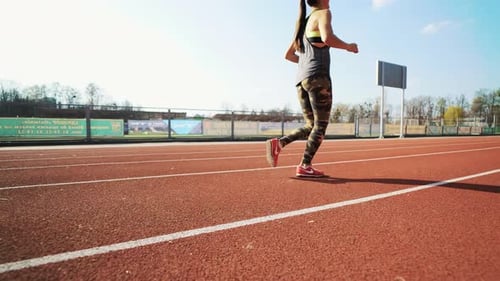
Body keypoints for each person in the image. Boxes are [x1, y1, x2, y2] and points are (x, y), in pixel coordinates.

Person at [266, 0, 358, 177]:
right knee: (321, 125)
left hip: (302, 80)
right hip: (318, 78)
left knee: (311, 125)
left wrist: (307, 63)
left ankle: (280, 143)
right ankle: (304, 165)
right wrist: (348, 47)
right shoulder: (323, 14)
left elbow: (289, 56)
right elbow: (327, 38)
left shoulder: (304, 22)